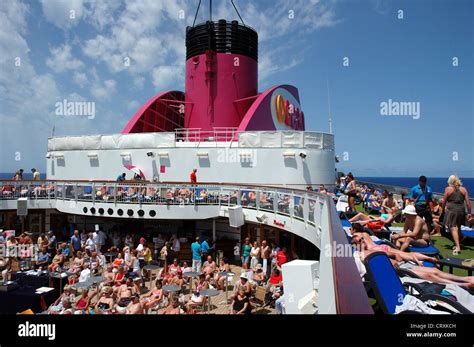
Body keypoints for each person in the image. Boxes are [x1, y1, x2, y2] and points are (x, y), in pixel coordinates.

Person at [442, 175, 472, 255]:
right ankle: (457, 244)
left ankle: (458, 247)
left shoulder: (448, 189)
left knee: (453, 227)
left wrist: (442, 211)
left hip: (452, 210)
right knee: (458, 226)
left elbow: (444, 202)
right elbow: (468, 203)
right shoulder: (463, 189)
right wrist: (469, 213)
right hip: (461, 209)